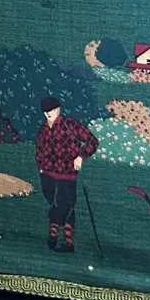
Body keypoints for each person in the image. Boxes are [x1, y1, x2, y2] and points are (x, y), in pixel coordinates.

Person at [36, 96, 99, 253]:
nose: (48, 113)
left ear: (58, 109)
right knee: (53, 203)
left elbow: (92, 141)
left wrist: (80, 156)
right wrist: (40, 168)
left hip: (66, 174)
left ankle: (66, 241)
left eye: (51, 110)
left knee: (66, 205)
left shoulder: (70, 124)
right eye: (46, 111)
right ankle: (54, 235)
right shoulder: (44, 129)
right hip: (47, 173)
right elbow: (39, 149)